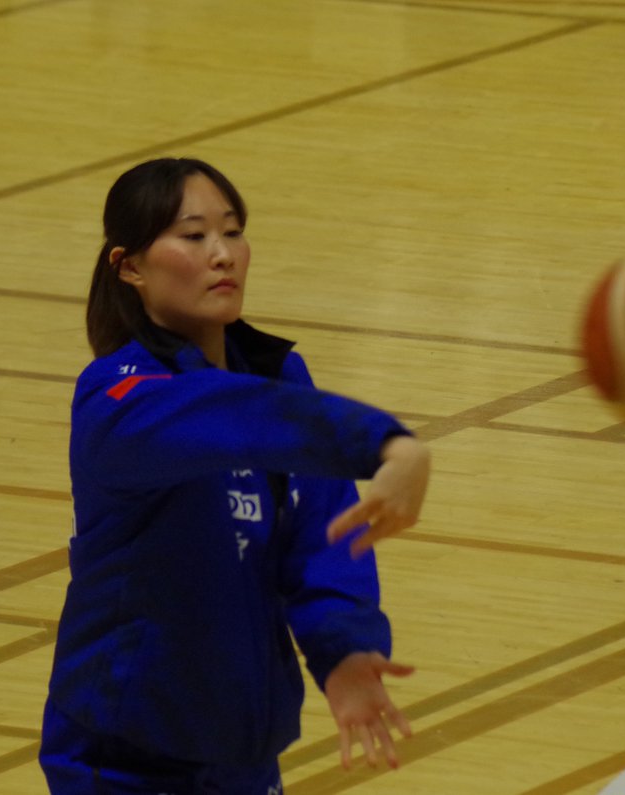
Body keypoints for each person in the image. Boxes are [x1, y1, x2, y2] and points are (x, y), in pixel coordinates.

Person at [40, 157, 431, 794]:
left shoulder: (277, 382)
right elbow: (235, 415)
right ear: (130, 266)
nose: (222, 254)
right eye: (193, 237)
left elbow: (324, 536)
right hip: (123, 758)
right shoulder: (119, 400)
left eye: (233, 232)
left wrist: (343, 651)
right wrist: (384, 443)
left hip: (240, 753)